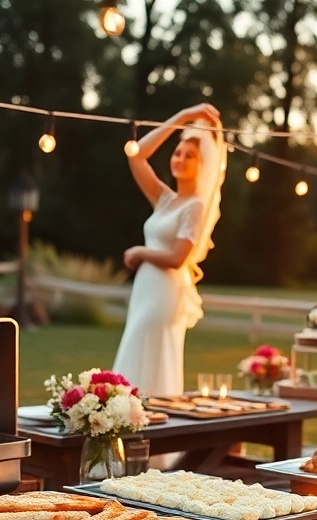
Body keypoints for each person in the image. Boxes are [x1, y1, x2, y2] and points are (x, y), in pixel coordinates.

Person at [112, 103, 225, 397]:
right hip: (144, 290)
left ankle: (151, 423)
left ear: (203, 166)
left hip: (164, 293)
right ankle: (125, 421)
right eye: (178, 153)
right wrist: (183, 117)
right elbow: (135, 155)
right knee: (134, 348)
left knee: (149, 353)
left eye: (190, 156)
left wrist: (142, 252)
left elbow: (178, 257)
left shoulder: (195, 207)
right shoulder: (165, 199)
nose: (181, 159)